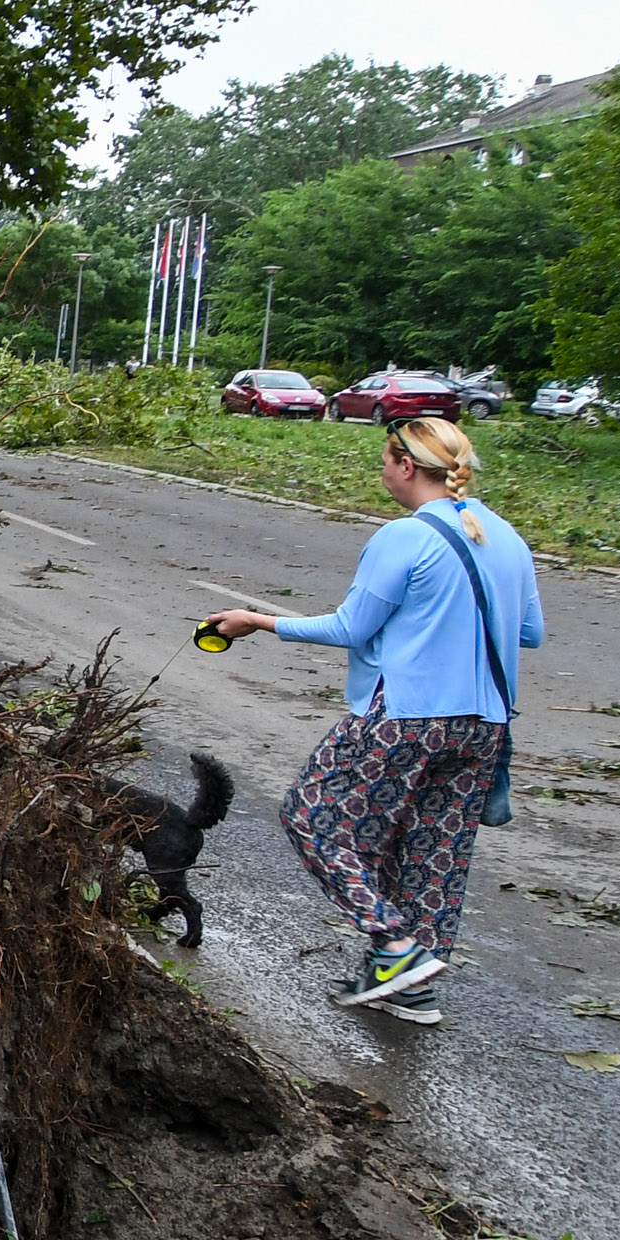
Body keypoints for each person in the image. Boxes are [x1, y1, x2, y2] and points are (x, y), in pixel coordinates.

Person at [200, 416, 544, 1024]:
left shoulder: (403, 538)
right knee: (433, 850)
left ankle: (394, 946)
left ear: (405, 466)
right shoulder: (507, 539)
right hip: (484, 723)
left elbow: (349, 628)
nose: (382, 472)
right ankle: (413, 991)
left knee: (312, 816)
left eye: (385, 461)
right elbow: (530, 632)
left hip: (407, 714)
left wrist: (258, 621)